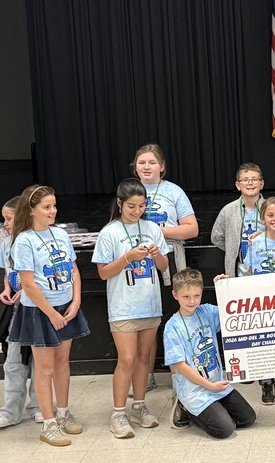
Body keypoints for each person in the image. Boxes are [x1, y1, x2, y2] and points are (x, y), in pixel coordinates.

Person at [8, 185, 90, 446]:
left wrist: (75, 302)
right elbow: (28, 284)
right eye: (46, 207)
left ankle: (64, 413)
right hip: (41, 312)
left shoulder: (60, 234)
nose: (52, 211)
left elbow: (73, 269)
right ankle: (48, 423)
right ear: (31, 211)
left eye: (54, 206)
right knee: (43, 370)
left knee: (62, 362)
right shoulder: (24, 241)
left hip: (66, 308)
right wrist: (51, 313)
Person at [92, 179, 171, 438]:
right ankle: (118, 414)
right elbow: (103, 273)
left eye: (141, 206)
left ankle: (139, 406)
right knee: (125, 359)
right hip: (123, 306)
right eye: (131, 206)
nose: (137, 211)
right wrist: (128, 258)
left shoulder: (152, 228)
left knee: (143, 358)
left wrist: (157, 254)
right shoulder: (110, 232)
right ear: (120, 204)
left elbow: (162, 266)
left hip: (149, 304)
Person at [132, 144, 198, 392]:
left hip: (169, 259)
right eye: (142, 163)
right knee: (145, 321)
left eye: (151, 162)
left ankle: (178, 376)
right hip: (137, 264)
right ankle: (145, 376)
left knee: (173, 318)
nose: (146, 167)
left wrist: (158, 232)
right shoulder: (130, 191)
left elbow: (191, 229)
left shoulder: (173, 191)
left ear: (162, 166)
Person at [166, 269, 257, 438]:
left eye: (196, 296)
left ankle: (215, 409)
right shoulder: (172, 327)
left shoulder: (206, 311)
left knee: (248, 419)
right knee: (225, 430)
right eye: (186, 297)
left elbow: (233, 309)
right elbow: (182, 367)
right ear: (175, 295)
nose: (192, 301)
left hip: (217, 384)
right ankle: (186, 409)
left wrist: (226, 287)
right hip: (194, 390)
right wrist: (210, 386)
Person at [0, 196, 41, 429]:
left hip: (39, 308)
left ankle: (39, 407)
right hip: (17, 311)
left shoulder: (37, 241)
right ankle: (10, 411)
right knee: (13, 361)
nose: (5, 224)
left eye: (8, 219)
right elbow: (8, 272)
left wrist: (28, 292)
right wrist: (8, 289)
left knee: (40, 362)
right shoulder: (8, 244)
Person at [244, 196, 275, 404]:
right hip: (262, 299)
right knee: (264, 342)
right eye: (270, 215)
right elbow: (251, 270)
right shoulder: (256, 242)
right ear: (262, 218)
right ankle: (266, 383)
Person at [210, 163, 265, 277]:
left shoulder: (271, 208)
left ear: (262, 184)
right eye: (245, 180)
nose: (250, 183)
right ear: (238, 185)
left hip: (266, 268)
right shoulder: (228, 210)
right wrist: (233, 248)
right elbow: (216, 237)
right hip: (239, 271)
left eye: (254, 179)